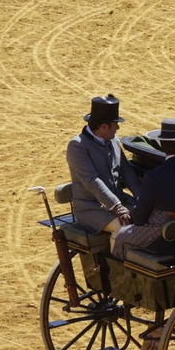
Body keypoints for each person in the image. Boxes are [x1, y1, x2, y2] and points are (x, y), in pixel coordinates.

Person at [113, 119, 175, 259]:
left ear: (161, 145)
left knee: (121, 237)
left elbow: (140, 218)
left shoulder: (154, 176)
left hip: (167, 241)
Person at [65, 94, 140, 241]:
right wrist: (117, 207)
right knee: (122, 227)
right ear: (104, 126)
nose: (117, 127)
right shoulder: (77, 146)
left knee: (151, 217)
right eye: (115, 124)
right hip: (91, 209)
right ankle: (117, 263)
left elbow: (127, 171)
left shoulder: (113, 140)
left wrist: (140, 197)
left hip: (120, 201)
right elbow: (92, 180)